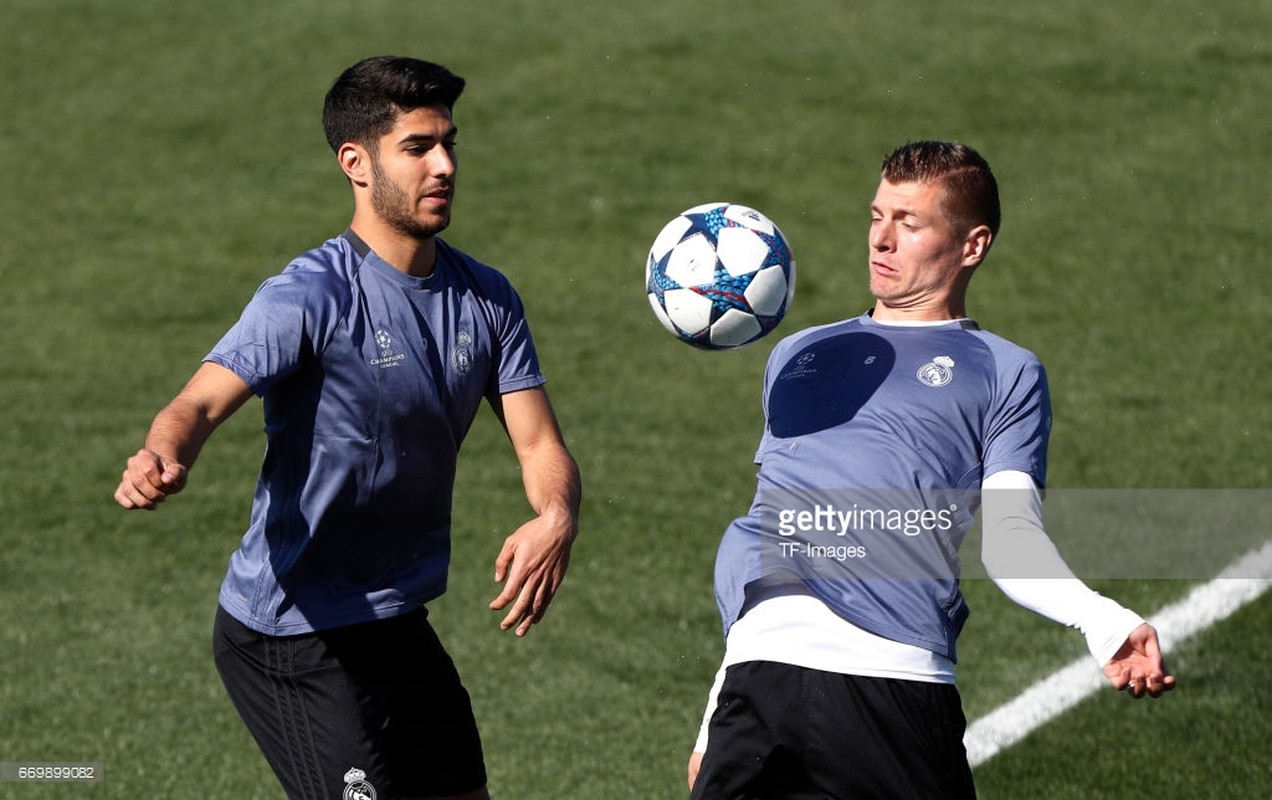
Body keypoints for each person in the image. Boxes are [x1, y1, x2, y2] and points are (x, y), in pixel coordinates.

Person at [114, 55, 581, 800]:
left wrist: (556, 513)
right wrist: (161, 454)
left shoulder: (487, 299)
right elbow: (196, 404)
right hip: (290, 638)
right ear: (355, 164)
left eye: (450, 143)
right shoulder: (310, 296)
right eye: (419, 148)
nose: (446, 166)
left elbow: (538, 443)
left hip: (395, 620)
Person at [686, 141, 1174, 798]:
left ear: (972, 245)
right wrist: (715, 714)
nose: (880, 241)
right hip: (762, 678)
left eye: (909, 223)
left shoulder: (1004, 371)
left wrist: (1099, 617)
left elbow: (1009, 537)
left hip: (887, 680)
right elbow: (766, 536)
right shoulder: (799, 354)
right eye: (876, 215)